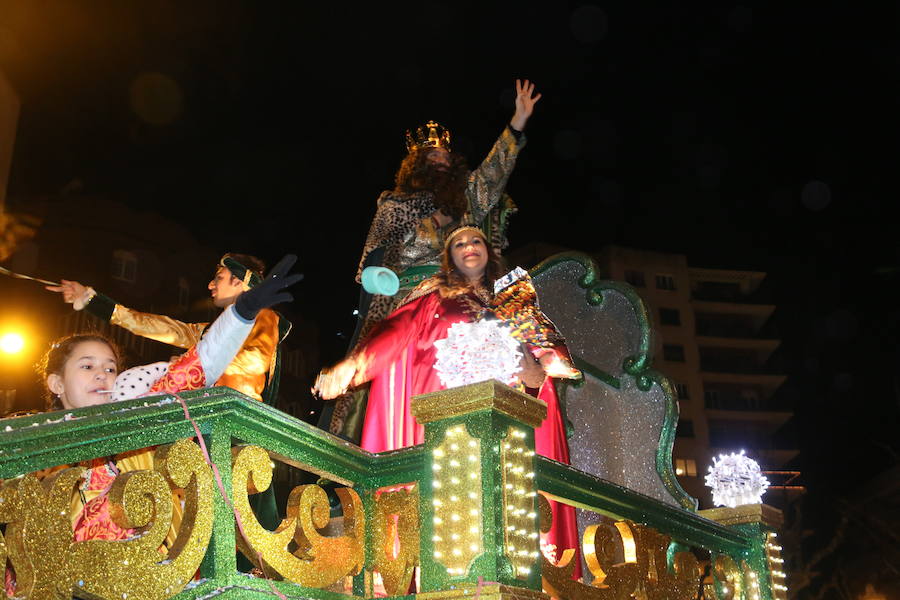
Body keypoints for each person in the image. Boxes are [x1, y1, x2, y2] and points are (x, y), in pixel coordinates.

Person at [314, 226, 579, 566]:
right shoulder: (433, 297)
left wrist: (536, 375)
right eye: (459, 244)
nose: (469, 247)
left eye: (476, 241)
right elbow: (393, 334)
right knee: (450, 521)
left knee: (509, 519)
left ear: (489, 251)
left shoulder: (515, 301)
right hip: (448, 426)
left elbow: (545, 355)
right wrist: (352, 367)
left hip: (506, 426)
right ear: (449, 257)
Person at [324, 79, 542, 439]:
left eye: (445, 157)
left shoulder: (466, 200)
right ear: (417, 165)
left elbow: (493, 174)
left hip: (462, 292)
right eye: (432, 158)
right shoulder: (394, 205)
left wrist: (516, 124)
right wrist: (427, 226)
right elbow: (372, 261)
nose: (441, 162)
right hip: (409, 294)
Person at [47, 253, 292, 404]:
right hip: (205, 412)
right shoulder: (209, 331)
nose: (210, 285)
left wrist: (189, 368)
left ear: (238, 281)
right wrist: (91, 300)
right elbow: (158, 326)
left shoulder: (265, 317)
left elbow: (254, 361)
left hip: (235, 416)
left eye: (218, 277)